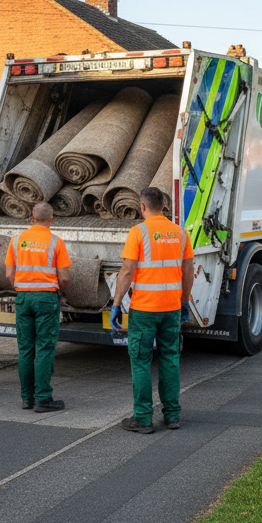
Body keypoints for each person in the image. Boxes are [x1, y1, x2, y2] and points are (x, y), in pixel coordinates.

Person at [111, 186, 194, 434]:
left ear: (142, 206)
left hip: (144, 309)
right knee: (170, 359)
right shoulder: (181, 233)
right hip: (171, 308)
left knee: (141, 362)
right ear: (164, 206)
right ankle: (172, 416)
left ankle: (143, 418)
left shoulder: (138, 232)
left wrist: (116, 303)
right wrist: (184, 300)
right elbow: (188, 270)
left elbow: (127, 271)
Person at [5, 202, 72, 412]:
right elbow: (64, 277)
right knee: (44, 348)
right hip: (46, 298)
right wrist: (58, 291)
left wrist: (23, 287)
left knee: (25, 349)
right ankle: (43, 398)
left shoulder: (16, 240)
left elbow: (9, 274)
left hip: (23, 297)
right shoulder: (56, 242)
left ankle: (27, 398)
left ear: (31, 218)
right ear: (51, 219)